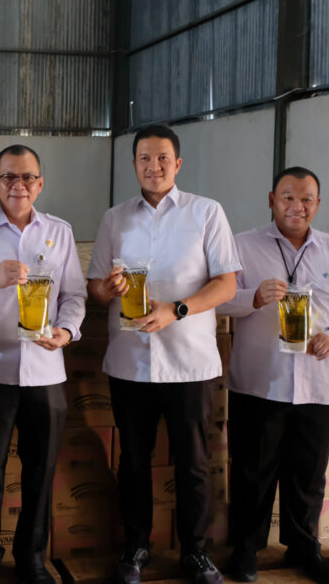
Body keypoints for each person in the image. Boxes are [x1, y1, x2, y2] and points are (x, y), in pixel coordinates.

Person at [86, 124, 240, 584]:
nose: (153, 166)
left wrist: (177, 309)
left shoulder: (206, 212)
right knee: (133, 461)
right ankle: (136, 547)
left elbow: (226, 284)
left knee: (193, 462)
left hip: (189, 361)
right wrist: (106, 289)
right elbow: (95, 289)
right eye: (144, 158)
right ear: (133, 163)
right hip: (130, 361)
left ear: (178, 163)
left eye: (162, 158)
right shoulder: (115, 218)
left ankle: (195, 552)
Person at [217, 167, 329, 584]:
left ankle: (304, 547)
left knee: (308, 473)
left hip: (318, 383)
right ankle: (246, 549)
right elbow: (214, 300)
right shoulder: (241, 246)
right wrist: (251, 297)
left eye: (306, 199)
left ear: (318, 204)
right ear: (272, 200)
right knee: (252, 470)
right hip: (258, 381)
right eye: (288, 197)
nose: (297, 206)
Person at [0, 145, 86, 583]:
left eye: (27, 177)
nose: (18, 185)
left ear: (40, 184)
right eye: (8, 177)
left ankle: (32, 559)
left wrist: (66, 331)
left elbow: (75, 295)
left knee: (41, 472)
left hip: (46, 372)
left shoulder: (60, 232)